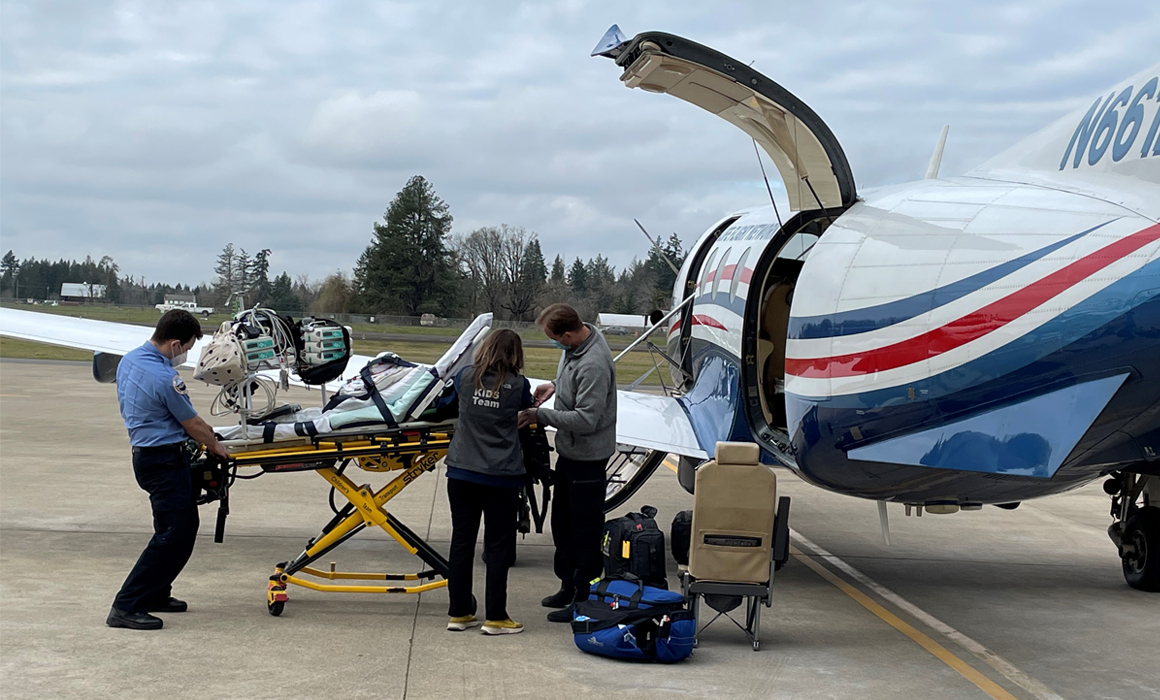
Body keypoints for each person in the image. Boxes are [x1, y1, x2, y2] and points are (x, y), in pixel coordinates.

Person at [107, 309, 229, 631]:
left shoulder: (130, 360)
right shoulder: (165, 377)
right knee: (173, 534)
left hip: (149, 456)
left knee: (181, 529)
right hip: (163, 460)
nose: (185, 354)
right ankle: (126, 605)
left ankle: (157, 592)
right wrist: (218, 446)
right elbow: (192, 423)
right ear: (174, 343)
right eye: (186, 348)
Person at [518, 304, 617, 623]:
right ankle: (567, 585)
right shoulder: (577, 347)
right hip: (570, 456)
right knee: (562, 526)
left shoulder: (593, 363)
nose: (554, 344)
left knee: (584, 532)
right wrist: (555, 386)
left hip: (588, 459)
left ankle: (583, 599)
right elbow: (576, 388)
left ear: (568, 335)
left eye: (553, 338)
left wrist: (540, 415)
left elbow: (587, 418)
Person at [443, 329, 532, 635]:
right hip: (501, 476)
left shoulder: (466, 377)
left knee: (461, 542)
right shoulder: (518, 384)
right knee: (497, 547)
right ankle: (495, 616)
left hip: (462, 471)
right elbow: (524, 406)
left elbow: (448, 403)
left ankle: (459, 612)